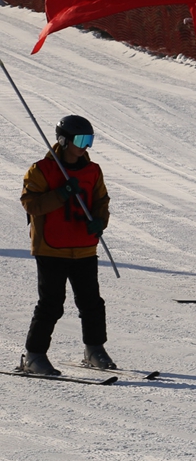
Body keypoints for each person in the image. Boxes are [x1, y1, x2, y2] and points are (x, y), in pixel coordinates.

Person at [18, 115, 112, 375]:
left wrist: (99, 222)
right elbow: (31, 204)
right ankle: (34, 356)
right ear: (63, 140)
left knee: (91, 302)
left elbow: (101, 200)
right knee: (51, 303)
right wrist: (62, 193)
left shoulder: (93, 171)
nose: (86, 146)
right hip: (51, 247)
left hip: (83, 247)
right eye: (81, 140)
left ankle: (94, 349)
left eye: (89, 140)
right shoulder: (42, 170)